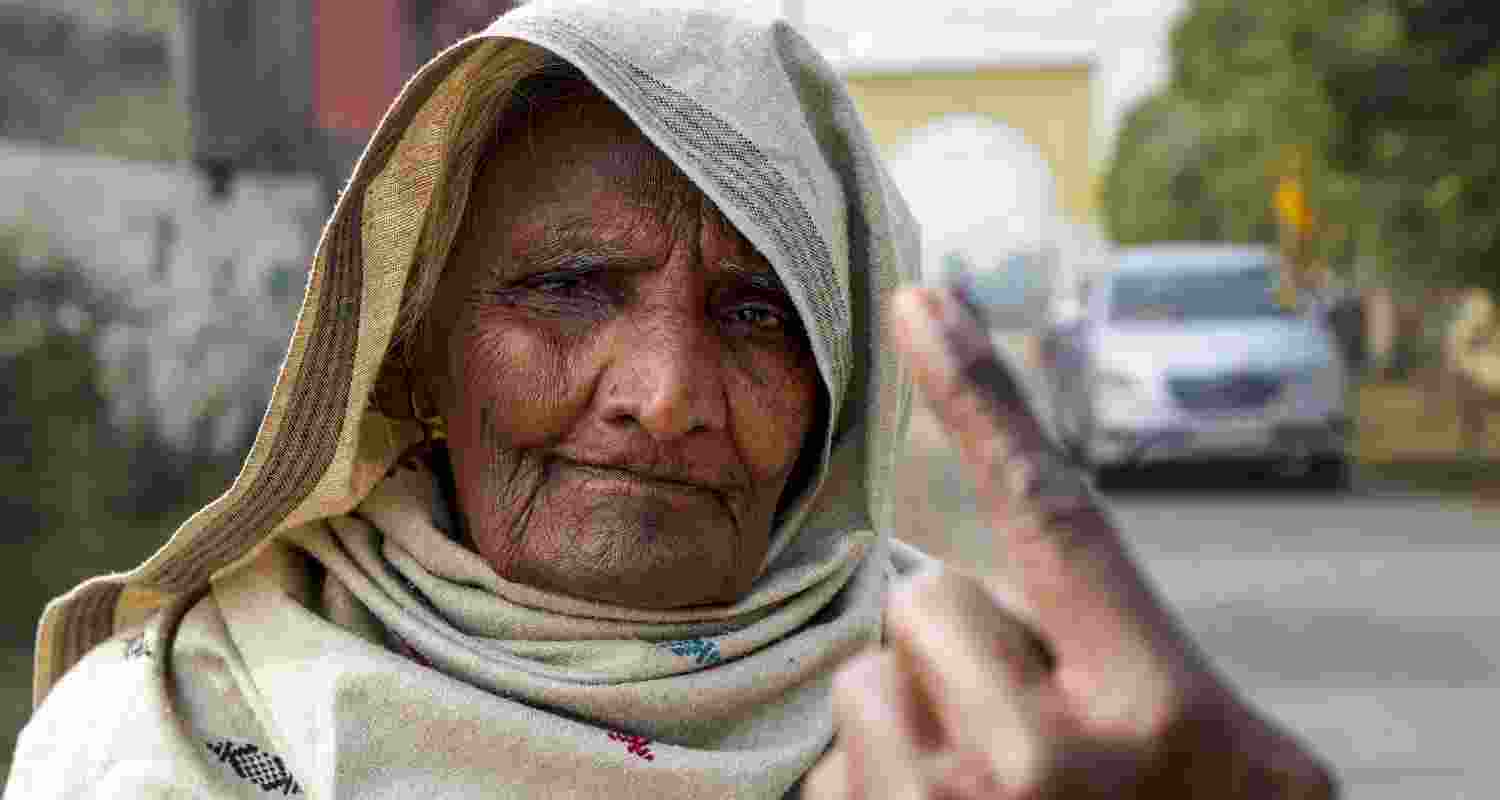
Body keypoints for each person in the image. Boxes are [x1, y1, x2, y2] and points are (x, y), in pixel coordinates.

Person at [5, 3, 1335, 798]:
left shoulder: (995, 733)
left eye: (759, 312)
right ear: (420, 352)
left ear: (839, 398)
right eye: (572, 285)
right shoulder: (167, 728)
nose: (663, 396)